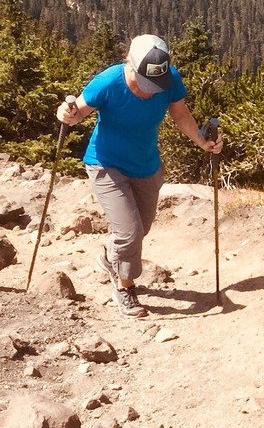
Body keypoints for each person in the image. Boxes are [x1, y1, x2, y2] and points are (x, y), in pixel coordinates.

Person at [56, 34, 223, 318]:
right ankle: (125, 288)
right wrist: (66, 113)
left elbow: (180, 114)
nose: (150, 91)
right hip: (106, 163)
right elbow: (77, 113)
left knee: (140, 229)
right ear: (131, 65)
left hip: (146, 165)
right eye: (145, 83)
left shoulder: (168, 78)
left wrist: (201, 140)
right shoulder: (108, 82)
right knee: (130, 231)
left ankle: (111, 256)